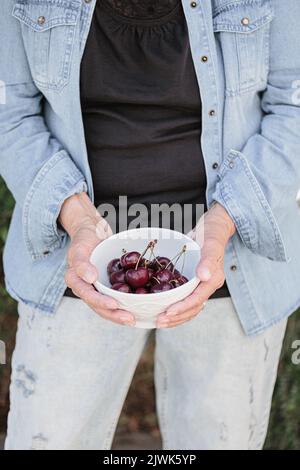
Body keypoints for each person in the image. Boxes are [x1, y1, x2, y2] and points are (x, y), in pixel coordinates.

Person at [0, 0, 299, 450]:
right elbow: (9, 112)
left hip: (228, 260)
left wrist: (223, 221)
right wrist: (77, 218)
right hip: (78, 261)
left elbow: (292, 108)